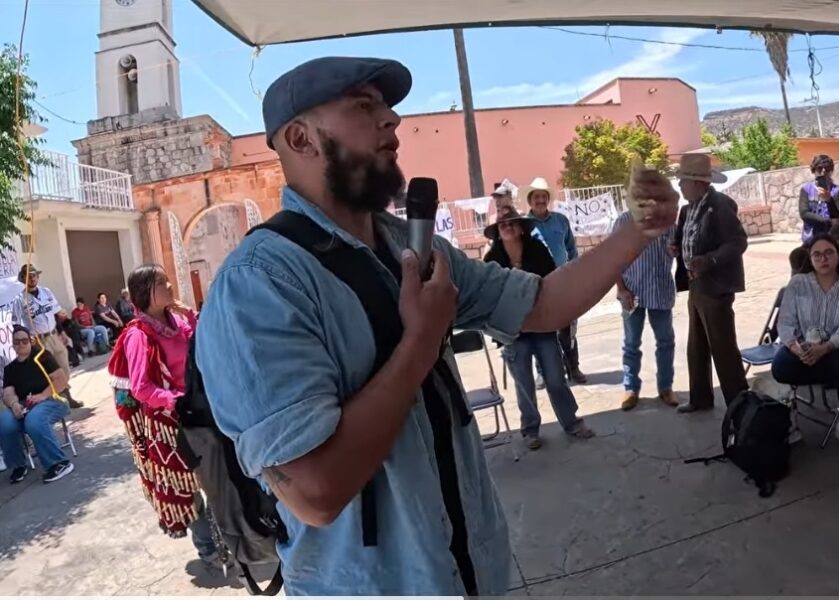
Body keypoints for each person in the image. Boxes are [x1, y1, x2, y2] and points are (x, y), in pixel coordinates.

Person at [194, 56, 678, 596]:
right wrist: (422, 340)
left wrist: (638, 231)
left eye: (386, 106)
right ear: (300, 138)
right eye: (363, 106)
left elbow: (542, 304)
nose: (392, 120)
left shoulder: (411, 246)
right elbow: (315, 492)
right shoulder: (259, 284)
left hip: (473, 573)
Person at [106, 264, 224, 567]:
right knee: (189, 488)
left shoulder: (177, 321)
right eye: (161, 282)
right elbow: (141, 388)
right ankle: (208, 548)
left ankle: (227, 538)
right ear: (145, 292)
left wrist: (191, 317)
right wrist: (176, 400)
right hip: (171, 423)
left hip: (200, 410)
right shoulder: (138, 336)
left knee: (216, 479)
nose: (170, 285)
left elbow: (202, 344)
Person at [483, 207, 594, 448]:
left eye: (512, 222)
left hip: (543, 326)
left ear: (521, 228)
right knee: (524, 384)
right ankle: (530, 431)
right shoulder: (491, 260)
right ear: (497, 232)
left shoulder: (537, 249)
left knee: (555, 378)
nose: (507, 226)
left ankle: (572, 423)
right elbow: (487, 295)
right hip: (513, 331)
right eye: (502, 224)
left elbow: (552, 282)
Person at [770, 235, 839, 452]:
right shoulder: (798, 283)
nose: (823, 259)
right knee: (780, 366)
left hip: (836, 348)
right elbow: (785, 322)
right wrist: (797, 348)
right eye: (817, 254)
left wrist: (824, 349)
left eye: (828, 253)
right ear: (810, 257)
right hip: (804, 348)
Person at [672, 154, 749, 412]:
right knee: (697, 346)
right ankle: (700, 398)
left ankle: (739, 405)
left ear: (698, 182)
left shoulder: (720, 205)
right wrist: (676, 248)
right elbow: (686, 238)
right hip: (696, 285)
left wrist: (710, 260)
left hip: (716, 286)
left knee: (723, 348)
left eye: (683, 181)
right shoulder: (687, 210)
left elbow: (738, 241)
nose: (680, 186)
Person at [523, 176, 588, 385]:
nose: (540, 200)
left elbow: (571, 249)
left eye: (543, 196)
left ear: (548, 199)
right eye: (536, 197)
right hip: (537, 285)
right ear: (530, 200)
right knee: (541, 329)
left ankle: (573, 368)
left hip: (563, 282)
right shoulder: (523, 225)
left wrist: (575, 274)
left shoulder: (561, 220)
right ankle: (542, 372)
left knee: (568, 328)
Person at [613, 209, 677, 410]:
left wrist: (675, 250)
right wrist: (621, 289)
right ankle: (631, 388)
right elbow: (613, 258)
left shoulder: (667, 221)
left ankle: (665, 387)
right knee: (631, 343)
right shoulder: (624, 221)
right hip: (632, 292)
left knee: (665, 341)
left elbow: (675, 249)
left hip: (660, 290)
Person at [0, 325, 75, 484]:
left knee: (34, 420)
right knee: (5, 422)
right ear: (12, 344)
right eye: (17, 341)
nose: (21, 344)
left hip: (52, 399)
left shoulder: (43, 356)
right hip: (24, 405)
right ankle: (18, 465)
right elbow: (8, 393)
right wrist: (14, 404)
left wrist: (42, 396)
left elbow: (61, 380)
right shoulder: (10, 369)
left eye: (24, 341)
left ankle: (59, 463)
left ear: (30, 341)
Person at [10, 265, 81, 408]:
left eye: (34, 275)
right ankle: (62, 399)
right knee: (50, 372)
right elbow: (16, 323)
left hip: (53, 335)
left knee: (64, 368)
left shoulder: (46, 292)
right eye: (29, 276)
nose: (32, 278)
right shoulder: (20, 299)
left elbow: (55, 313)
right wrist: (26, 337)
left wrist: (62, 332)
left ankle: (65, 394)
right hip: (38, 340)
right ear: (23, 278)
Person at [799, 154, 839, 244]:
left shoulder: (838, 191)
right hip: (810, 240)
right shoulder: (806, 189)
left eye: (827, 168)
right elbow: (804, 213)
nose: (823, 171)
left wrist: (829, 200)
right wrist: (826, 221)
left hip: (832, 240)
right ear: (814, 170)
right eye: (820, 168)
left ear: (831, 170)